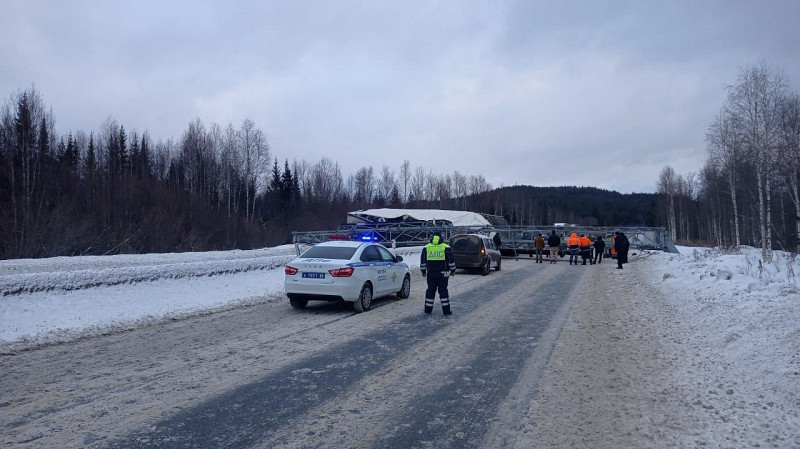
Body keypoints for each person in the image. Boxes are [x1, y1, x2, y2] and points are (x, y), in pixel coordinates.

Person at [420, 232, 457, 315]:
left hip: (431, 273)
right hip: (444, 273)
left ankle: (428, 310)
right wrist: (453, 270)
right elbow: (451, 261)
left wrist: (423, 271)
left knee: (430, 291)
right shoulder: (446, 248)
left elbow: (423, 261)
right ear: (441, 238)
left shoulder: (426, 248)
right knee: (443, 291)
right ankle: (446, 311)